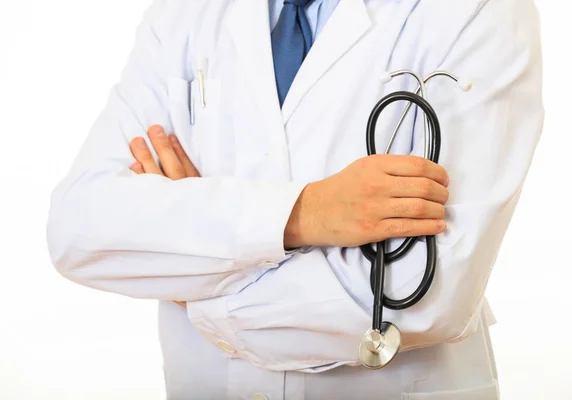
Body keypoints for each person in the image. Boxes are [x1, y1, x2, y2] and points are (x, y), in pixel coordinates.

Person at [46, 0, 544, 398]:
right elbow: (79, 228)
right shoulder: (184, 14)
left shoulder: (477, 10)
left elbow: (423, 295)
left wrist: (190, 278)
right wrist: (307, 213)